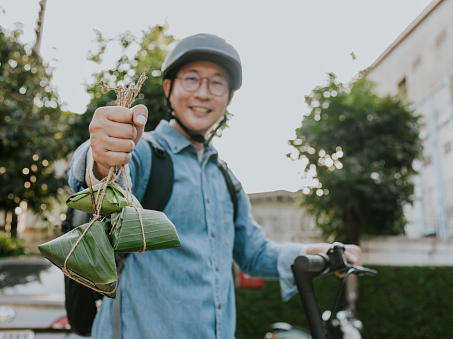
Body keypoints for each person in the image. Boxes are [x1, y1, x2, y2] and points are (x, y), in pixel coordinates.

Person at [67, 33, 361, 339]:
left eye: (217, 82)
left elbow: (254, 253)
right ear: (169, 88)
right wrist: (100, 154)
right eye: (191, 79)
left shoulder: (226, 178)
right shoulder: (145, 150)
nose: (204, 93)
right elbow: (95, 177)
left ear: (229, 97)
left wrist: (312, 251)